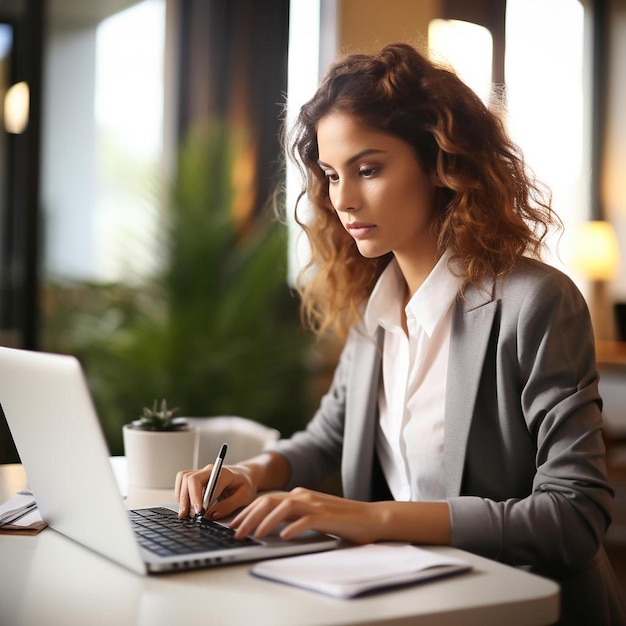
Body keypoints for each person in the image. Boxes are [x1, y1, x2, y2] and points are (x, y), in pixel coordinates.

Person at [176, 43, 625, 623]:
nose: (342, 198)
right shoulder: (376, 308)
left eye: (369, 169)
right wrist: (249, 473)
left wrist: (369, 518)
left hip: (519, 607)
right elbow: (326, 439)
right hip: (405, 598)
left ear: (443, 163)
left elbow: (574, 517)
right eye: (333, 175)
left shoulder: (536, 302)